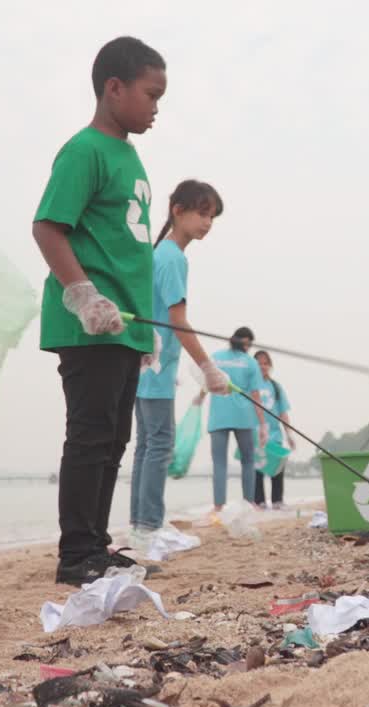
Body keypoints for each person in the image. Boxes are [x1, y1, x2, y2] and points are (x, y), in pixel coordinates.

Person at [32, 36, 167, 586]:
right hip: (88, 325)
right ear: (115, 88)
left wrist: (142, 325)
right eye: (150, 94)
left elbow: (129, 249)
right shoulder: (84, 150)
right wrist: (85, 296)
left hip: (126, 327)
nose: (156, 107)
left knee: (115, 439)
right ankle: (75, 554)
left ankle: (97, 544)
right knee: (89, 434)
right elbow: (47, 226)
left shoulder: (130, 155)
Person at [129, 180, 230, 554]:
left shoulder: (159, 254)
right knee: (159, 445)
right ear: (177, 210)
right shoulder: (172, 257)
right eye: (202, 213)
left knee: (148, 445)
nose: (207, 223)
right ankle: (150, 527)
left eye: (212, 217)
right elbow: (178, 322)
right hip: (155, 365)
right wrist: (208, 367)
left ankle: (143, 525)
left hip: (148, 364)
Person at [200, 328, 268, 511]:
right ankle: (249, 501)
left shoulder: (216, 357)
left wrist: (198, 399)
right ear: (248, 343)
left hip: (218, 416)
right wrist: (262, 424)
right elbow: (255, 395)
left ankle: (218, 506)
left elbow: (205, 382)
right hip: (243, 417)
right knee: (248, 461)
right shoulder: (250, 363)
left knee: (219, 463)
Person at [252, 351, 298, 509]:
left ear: (270, 366)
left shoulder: (276, 387)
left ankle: (277, 500)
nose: (263, 366)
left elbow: (283, 412)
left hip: (275, 434)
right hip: (256, 435)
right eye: (259, 363)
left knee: (277, 468)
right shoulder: (250, 386)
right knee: (257, 470)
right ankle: (259, 502)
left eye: (266, 363)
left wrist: (289, 434)